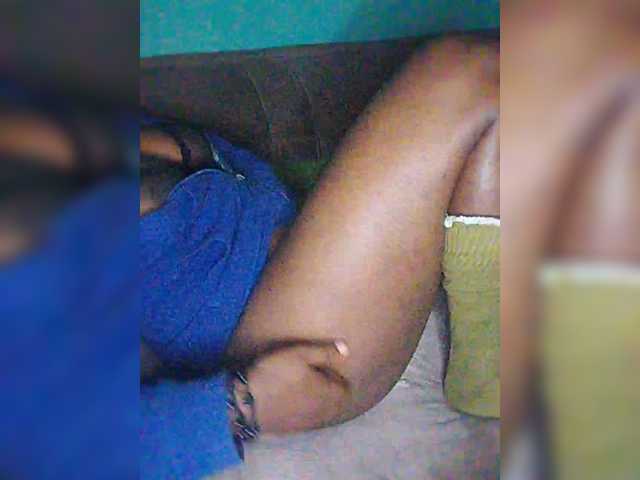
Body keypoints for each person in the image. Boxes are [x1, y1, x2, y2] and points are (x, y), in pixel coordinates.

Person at [139, 33, 500, 479]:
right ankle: (497, 385)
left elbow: (200, 161)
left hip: (277, 241)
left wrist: (172, 152)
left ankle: (491, 379)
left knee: (498, 104)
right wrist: (237, 405)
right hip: (256, 338)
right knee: (470, 71)